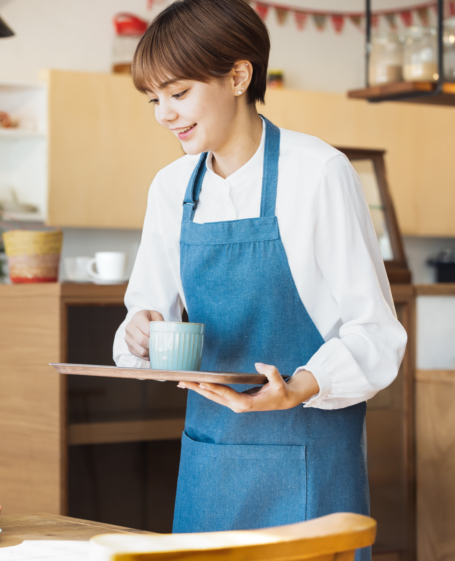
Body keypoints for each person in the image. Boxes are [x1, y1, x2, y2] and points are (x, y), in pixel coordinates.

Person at [112, 1, 407, 557]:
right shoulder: (170, 186)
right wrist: (139, 332)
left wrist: (299, 386)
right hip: (211, 458)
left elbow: (376, 333)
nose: (164, 114)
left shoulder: (318, 172)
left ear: (239, 76)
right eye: (154, 100)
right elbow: (144, 316)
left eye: (178, 93)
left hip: (308, 453)